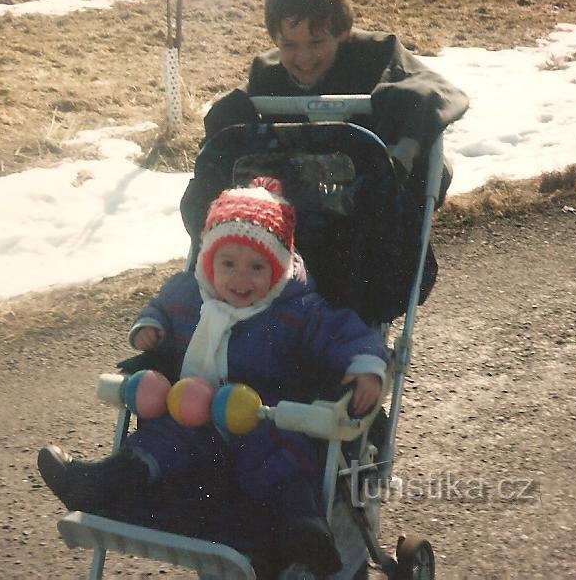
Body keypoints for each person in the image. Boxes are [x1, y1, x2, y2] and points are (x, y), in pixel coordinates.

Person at [38, 177, 388, 578]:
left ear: (278, 269)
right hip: (195, 415)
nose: (242, 279)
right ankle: (99, 482)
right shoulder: (190, 293)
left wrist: (365, 367)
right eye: (229, 265)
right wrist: (150, 326)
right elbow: (161, 307)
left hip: (263, 416)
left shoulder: (296, 309)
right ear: (208, 262)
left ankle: (304, 529)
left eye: (257, 267)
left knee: (279, 459)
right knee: (161, 439)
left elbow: (344, 332)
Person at [180, 0, 469, 321]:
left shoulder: (377, 56)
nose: (303, 58)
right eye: (289, 45)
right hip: (290, 222)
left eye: (317, 42)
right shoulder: (268, 75)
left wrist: (396, 106)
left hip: (364, 228)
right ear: (275, 39)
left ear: (342, 31)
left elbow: (443, 93)